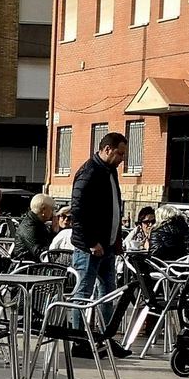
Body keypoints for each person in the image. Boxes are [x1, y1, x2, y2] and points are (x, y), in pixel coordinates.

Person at [70, 132, 131, 358]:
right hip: (90, 247)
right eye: (120, 153)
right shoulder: (89, 172)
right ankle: (78, 340)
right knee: (83, 293)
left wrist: (116, 239)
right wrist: (91, 242)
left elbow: (113, 208)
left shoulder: (110, 171)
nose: (122, 159)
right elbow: (78, 211)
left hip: (108, 245)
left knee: (108, 292)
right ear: (107, 149)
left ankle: (106, 338)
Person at [12, 194, 55, 262]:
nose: (53, 213)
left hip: (35, 263)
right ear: (43, 210)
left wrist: (54, 231)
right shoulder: (29, 226)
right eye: (52, 209)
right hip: (27, 265)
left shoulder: (38, 223)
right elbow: (38, 252)